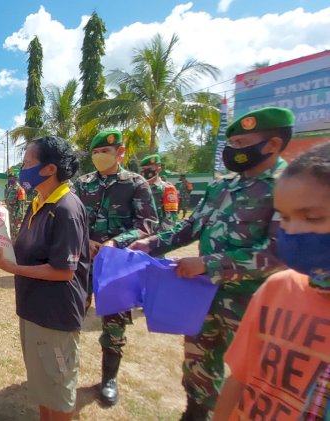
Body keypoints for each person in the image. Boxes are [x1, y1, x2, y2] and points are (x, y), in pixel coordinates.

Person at [130, 107, 293, 419]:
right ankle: (195, 412)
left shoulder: (287, 186)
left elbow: (277, 251)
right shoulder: (222, 185)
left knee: (253, 377)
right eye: (230, 142)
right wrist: (152, 242)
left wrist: (208, 263)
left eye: (242, 142)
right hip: (203, 294)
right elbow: (190, 227)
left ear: (272, 144)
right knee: (198, 363)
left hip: (253, 300)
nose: (232, 150)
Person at [212, 143, 330, 421]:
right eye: (285, 218)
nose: (292, 232)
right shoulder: (278, 289)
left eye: (312, 217)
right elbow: (238, 379)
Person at [0, 136, 90, 421]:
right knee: (44, 387)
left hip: (55, 317)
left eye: (27, 163)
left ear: (49, 169)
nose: (22, 170)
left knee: (58, 392)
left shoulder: (66, 209)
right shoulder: (39, 202)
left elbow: (64, 271)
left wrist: (13, 269)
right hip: (34, 311)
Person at [74, 129, 158, 406]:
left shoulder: (136, 184)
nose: (99, 157)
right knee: (71, 316)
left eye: (105, 152)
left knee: (115, 324)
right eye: (96, 153)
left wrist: (114, 242)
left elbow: (147, 224)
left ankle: (108, 379)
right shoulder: (82, 183)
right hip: (83, 262)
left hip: (118, 264)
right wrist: (84, 240)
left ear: (119, 153)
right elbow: (71, 218)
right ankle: (66, 371)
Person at [139, 154, 179, 232]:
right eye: (143, 169)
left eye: (148, 169)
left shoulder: (167, 189)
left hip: (156, 237)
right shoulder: (139, 188)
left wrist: (155, 238)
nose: (144, 172)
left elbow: (171, 219)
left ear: (158, 170)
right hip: (140, 234)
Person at [4, 167, 27, 240]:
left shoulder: (20, 189)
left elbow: (21, 205)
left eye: (12, 178)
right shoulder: (10, 188)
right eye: (9, 178)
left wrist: (19, 218)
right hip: (9, 215)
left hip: (15, 217)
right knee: (9, 233)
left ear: (16, 178)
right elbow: (7, 201)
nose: (10, 179)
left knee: (16, 234)